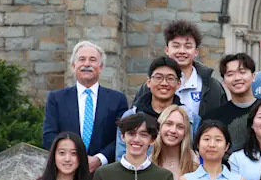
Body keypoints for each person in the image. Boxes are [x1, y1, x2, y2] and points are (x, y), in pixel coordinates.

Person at [42, 41, 128, 171]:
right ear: (73, 66)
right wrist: (72, 157)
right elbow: (49, 136)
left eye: (92, 60)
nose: (87, 64)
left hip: (104, 173)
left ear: (101, 67)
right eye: (82, 59)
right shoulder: (56, 99)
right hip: (65, 171)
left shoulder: (117, 99)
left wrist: (99, 159)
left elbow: (123, 136)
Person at [131, 20, 228, 120]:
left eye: (188, 46)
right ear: (167, 50)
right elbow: (134, 121)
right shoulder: (151, 86)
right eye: (176, 46)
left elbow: (223, 123)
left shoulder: (212, 88)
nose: (182, 51)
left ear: (196, 52)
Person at [117, 56, 200, 161]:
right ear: (148, 82)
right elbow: (121, 157)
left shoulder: (190, 118)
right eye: (158, 77)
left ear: (179, 84)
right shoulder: (131, 116)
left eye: (170, 78)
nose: (164, 83)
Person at [209, 53, 258, 151]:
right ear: (224, 82)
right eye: (230, 74)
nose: (237, 78)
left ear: (253, 76)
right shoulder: (213, 118)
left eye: (242, 72)